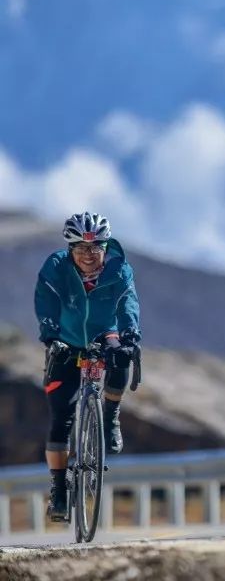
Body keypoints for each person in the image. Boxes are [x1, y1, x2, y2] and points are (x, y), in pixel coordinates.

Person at [34, 212, 141, 522]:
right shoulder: (55, 267)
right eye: (81, 249)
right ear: (70, 249)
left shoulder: (120, 270)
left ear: (105, 247)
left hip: (104, 331)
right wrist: (51, 336)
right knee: (60, 420)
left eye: (95, 249)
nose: (89, 256)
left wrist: (131, 337)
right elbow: (45, 302)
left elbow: (129, 305)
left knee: (121, 355)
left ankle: (110, 416)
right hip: (65, 339)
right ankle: (58, 488)